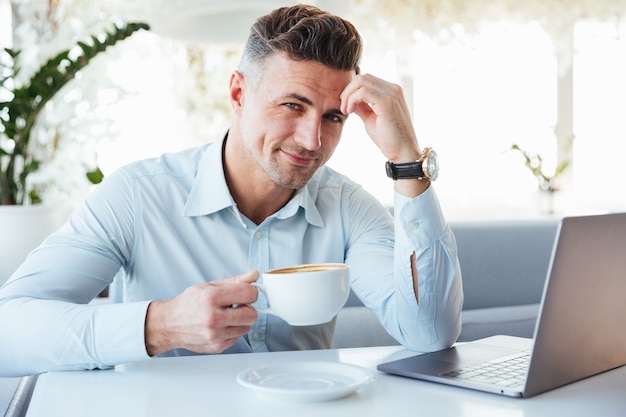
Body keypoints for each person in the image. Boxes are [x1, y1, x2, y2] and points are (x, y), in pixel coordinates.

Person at [0, 4, 463, 377]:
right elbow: (9, 333)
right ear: (239, 94)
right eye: (292, 105)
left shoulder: (350, 207)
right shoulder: (137, 196)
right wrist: (159, 325)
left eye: (332, 116)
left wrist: (407, 160)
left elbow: (429, 336)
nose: (312, 140)